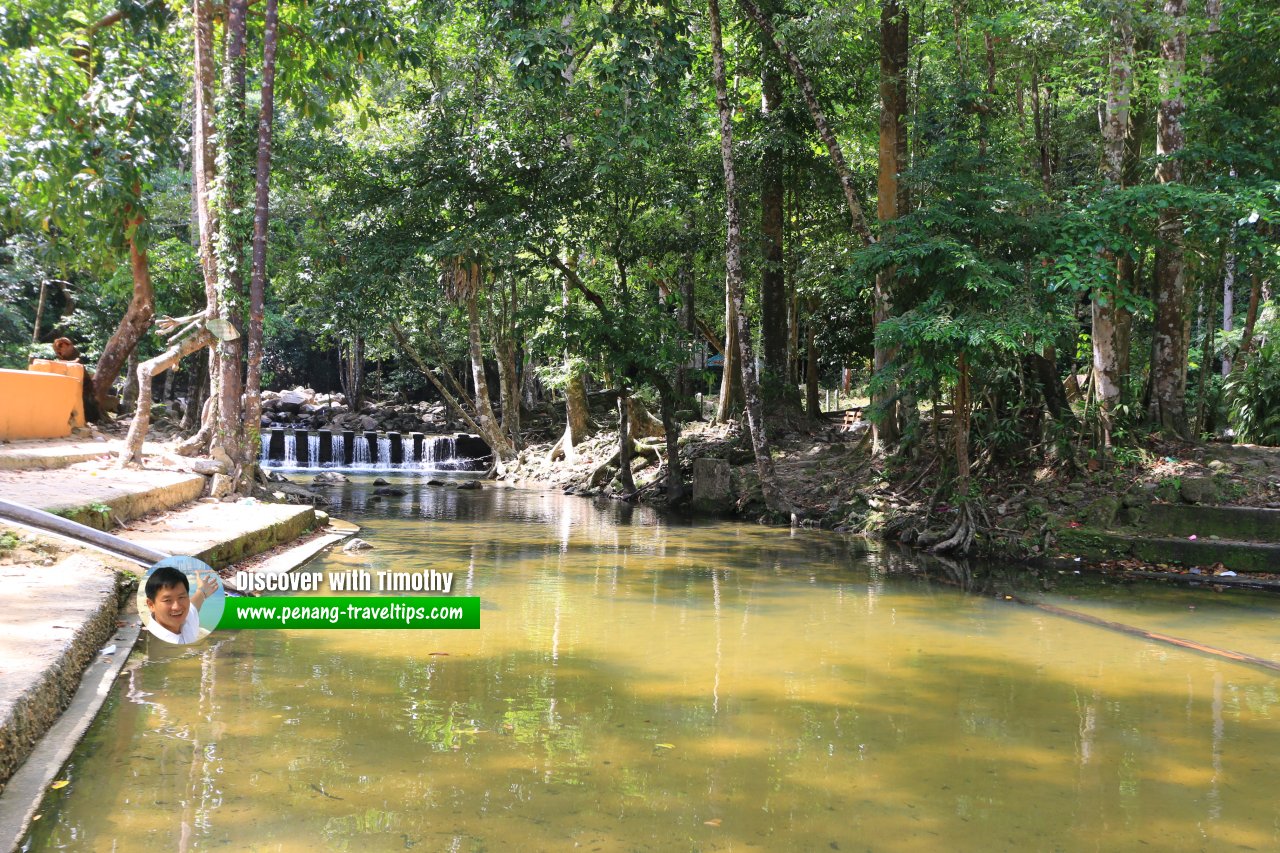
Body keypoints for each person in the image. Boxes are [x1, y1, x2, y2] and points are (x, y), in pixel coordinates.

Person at [144, 564, 219, 644]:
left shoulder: (187, 618)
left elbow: (194, 605)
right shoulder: (153, 642)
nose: (177, 607)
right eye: (167, 600)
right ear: (151, 605)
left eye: (181, 597)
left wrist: (202, 591)